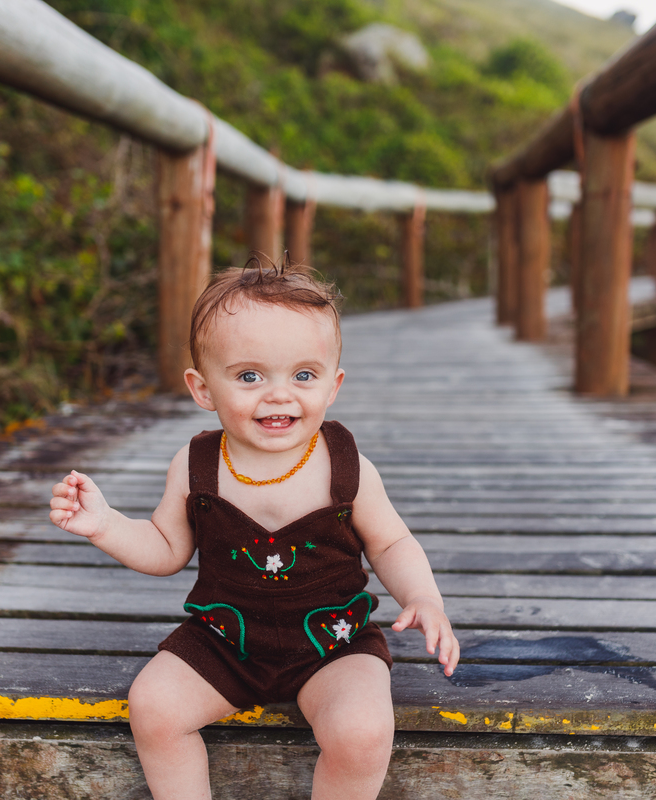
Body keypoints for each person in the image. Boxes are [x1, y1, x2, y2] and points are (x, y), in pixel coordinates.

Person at [50, 259, 460, 800]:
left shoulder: (345, 464)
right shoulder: (196, 464)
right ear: (202, 388)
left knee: (362, 731)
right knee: (152, 706)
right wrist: (105, 524)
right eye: (249, 376)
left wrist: (424, 596)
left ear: (333, 385)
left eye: (303, 375)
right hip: (224, 641)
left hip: (332, 643)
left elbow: (391, 542)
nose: (279, 394)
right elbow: (168, 548)